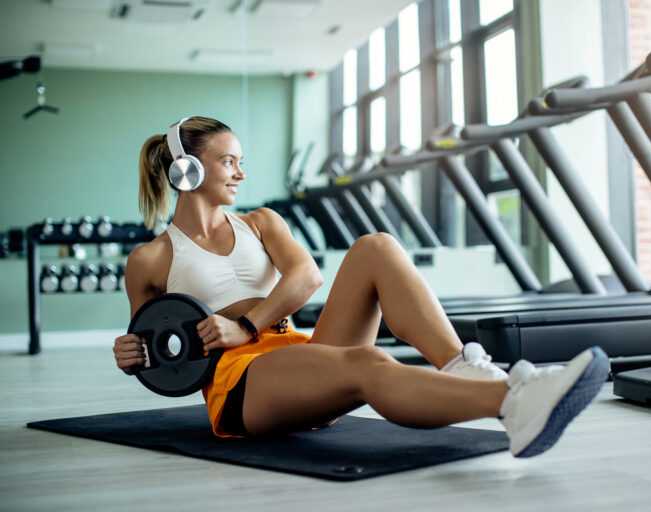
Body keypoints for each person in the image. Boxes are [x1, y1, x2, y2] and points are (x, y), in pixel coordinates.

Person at [112, 116, 609, 458]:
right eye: (228, 161)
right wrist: (133, 354)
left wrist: (247, 323)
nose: (241, 172)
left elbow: (306, 276)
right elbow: (160, 359)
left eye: (240, 161)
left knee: (376, 246)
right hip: (244, 387)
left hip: (300, 354)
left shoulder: (261, 223)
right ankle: (511, 402)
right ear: (188, 170)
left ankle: (470, 370)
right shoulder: (152, 258)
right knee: (369, 363)